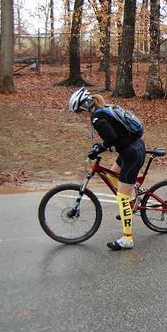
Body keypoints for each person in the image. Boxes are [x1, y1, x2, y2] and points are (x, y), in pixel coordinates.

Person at [69, 87, 146, 251]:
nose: (80, 116)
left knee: (122, 197)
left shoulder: (97, 118)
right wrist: (103, 146)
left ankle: (127, 239)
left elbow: (111, 138)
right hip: (131, 149)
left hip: (131, 153)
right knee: (112, 175)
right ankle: (134, 196)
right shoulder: (103, 109)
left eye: (79, 112)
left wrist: (99, 148)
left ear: (84, 107)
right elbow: (116, 135)